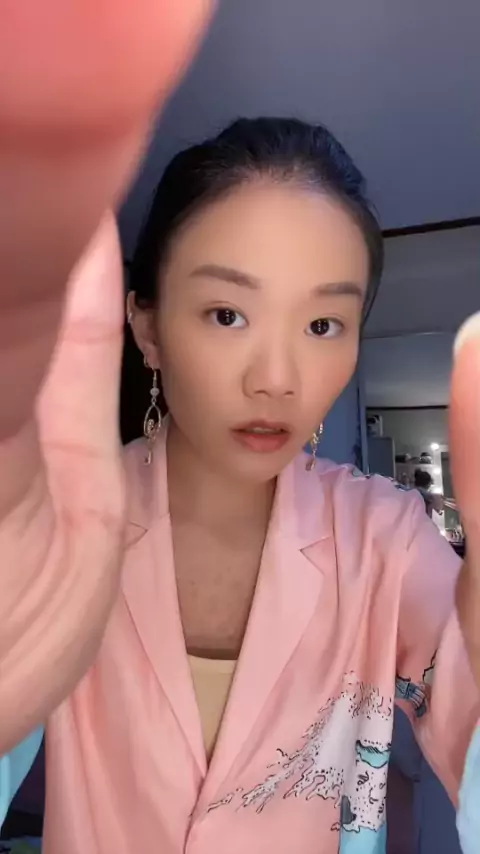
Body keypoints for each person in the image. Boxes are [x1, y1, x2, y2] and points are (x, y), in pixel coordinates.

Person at [1, 9, 480, 854]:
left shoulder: (387, 542)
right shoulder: (52, 530)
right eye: (227, 313)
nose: (278, 378)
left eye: (323, 325)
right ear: (146, 327)